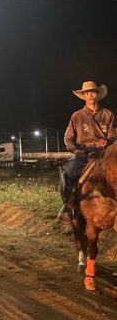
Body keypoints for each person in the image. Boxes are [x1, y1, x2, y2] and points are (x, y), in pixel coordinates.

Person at [58, 81, 117, 224]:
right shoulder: (77, 116)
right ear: (84, 96)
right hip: (84, 153)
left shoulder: (108, 114)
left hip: (104, 152)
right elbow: (68, 138)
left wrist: (106, 141)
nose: (90, 96)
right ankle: (68, 205)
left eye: (93, 92)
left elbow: (113, 135)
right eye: (87, 93)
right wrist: (75, 149)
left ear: (97, 95)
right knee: (69, 171)